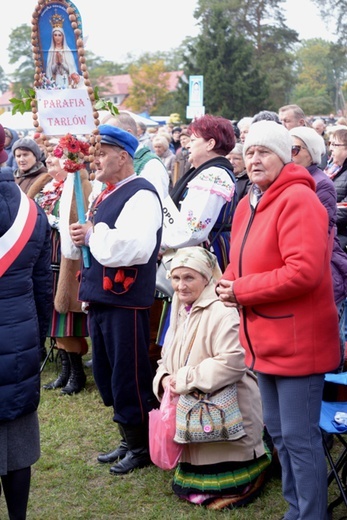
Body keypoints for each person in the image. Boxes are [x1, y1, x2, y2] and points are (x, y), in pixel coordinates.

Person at [216, 120, 341, 520]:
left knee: (300, 440)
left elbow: (304, 272)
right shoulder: (246, 203)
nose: (254, 159)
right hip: (262, 338)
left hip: (298, 340)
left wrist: (242, 291)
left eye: (264, 151)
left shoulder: (298, 200)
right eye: (249, 151)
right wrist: (227, 281)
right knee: (281, 437)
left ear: (285, 156)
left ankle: (311, 515)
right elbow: (239, 260)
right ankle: (295, 511)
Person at [69, 125, 163, 474]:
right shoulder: (107, 193)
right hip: (104, 297)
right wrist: (86, 234)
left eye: (104, 153)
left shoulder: (141, 194)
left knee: (129, 374)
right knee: (109, 374)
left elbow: (134, 248)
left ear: (123, 156)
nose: (97, 158)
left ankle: (141, 446)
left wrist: (95, 233)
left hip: (125, 299)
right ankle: (128, 438)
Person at [153, 246, 272, 509]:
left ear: (207, 278)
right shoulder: (180, 307)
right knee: (187, 485)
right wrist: (163, 378)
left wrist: (183, 379)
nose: (180, 286)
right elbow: (167, 356)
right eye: (175, 278)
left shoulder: (223, 310)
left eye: (189, 278)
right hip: (194, 407)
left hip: (226, 411)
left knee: (219, 484)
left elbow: (233, 362)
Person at [0, 161, 52, 519]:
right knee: (17, 439)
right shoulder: (33, 211)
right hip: (20, 336)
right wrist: (38, 334)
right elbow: (42, 287)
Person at [28, 138, 91, 395]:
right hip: (45, 257)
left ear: (69, 162)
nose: (49, 161)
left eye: (54, 157)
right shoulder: (46, 185)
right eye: (48, 158)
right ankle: (65, 371)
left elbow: (81, 217)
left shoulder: (80, 185)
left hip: (65, 259)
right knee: (53, 320)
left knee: (65, 320)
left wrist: (55, 222)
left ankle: (77, 374)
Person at [290, 126, 347, 369]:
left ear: (311, 153)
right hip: (300, 262)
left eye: (294, 148)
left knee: (317, 334)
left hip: (321, 264)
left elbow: (317, 229)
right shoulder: (288, 179)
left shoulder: (321, 183)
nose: (288, 153)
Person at [45, 22, 82, 88]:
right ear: (53, 37)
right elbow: (50, 71)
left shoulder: (67, 50)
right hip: (56, 80)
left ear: (63, 36)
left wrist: (62, 63)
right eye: (55, 35)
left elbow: (71, 69)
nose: (57, 37)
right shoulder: (51, 51)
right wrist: (57, 64)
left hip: (67, 79)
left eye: (59, 35)